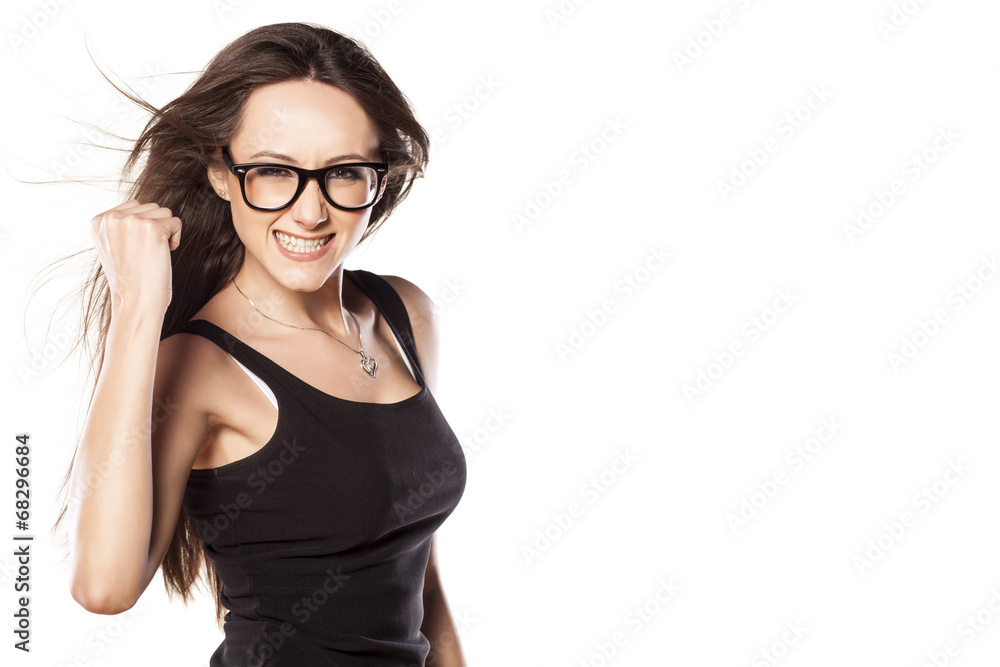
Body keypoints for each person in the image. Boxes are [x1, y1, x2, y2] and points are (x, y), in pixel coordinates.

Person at [52, 22, 468, 666]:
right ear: (222, 174)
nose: (310, 212)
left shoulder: (403, 314)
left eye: (344, 172)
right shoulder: (198, 365)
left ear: (378, 179)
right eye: (275, 172)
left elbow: (420, 569)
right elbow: (103, 587)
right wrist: (138, 308)